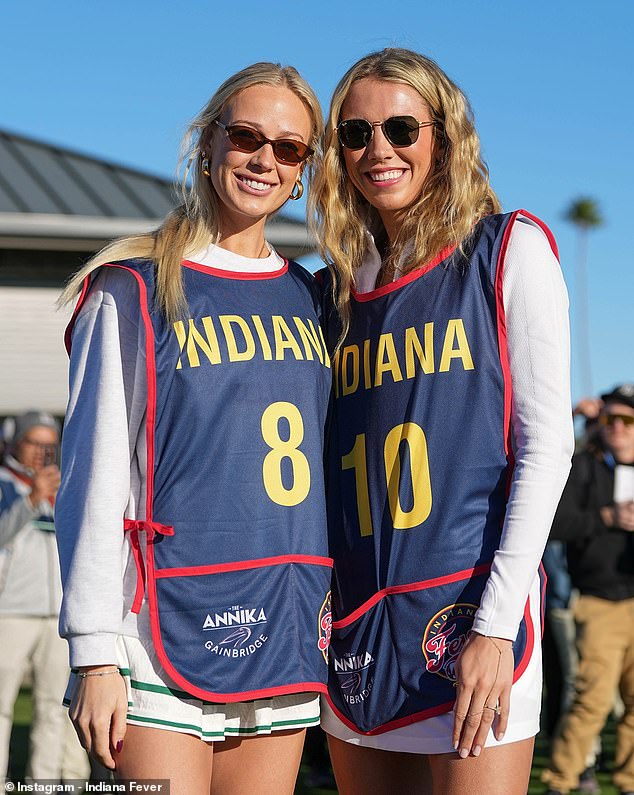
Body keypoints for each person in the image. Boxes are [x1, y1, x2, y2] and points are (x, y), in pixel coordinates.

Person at [56, 62, 332, 795]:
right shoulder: (134, 285)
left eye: (289, 147)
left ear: (304, 169)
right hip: (156, 629)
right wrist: (92, 649)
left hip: (285, 613)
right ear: (208, 143)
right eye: (246, 136)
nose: (264, 159)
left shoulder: (311, 296)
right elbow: (94, 476)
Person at [310, 48, 574, 794]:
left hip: (469, 615)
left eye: (400, 127)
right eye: (355, 134)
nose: (378, 150)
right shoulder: (336, 289)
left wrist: (493, 626)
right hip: (362, 622)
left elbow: (547, 447)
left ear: (445, 136)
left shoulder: (508, 248)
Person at [543, 384, 634, 795]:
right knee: (592, 702)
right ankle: (560, 781)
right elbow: (555, 524)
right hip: (597, 603)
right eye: (609, 418)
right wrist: (606, 516)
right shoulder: (583, 466)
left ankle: (629, 781)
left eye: (627, 420)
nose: (617, 427)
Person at [0, 411, 88, 782]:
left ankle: (45, 785)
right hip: (10, 613)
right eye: (34, 443)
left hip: (56, 616)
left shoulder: (65, 486)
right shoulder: (6, 485)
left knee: (53, 708)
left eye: (49, 445)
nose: (42, 452)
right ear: (16, 443)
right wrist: (32, 499)